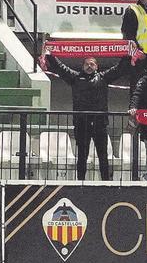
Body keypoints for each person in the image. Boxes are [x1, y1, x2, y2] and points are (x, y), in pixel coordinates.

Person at [42, 50, 130, 180]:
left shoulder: (103, 78)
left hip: (100, 122)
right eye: (87, 64)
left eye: (92, 64)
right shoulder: (75, 78)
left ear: (97, 67)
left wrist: (127, 54)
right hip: (81, 122)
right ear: (83, 66)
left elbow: (119, 69)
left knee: (103, 155)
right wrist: (50, 55)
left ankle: (106, 182)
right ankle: (81, 182)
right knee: (82, 155)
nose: (89, 66)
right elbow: (61, 68)